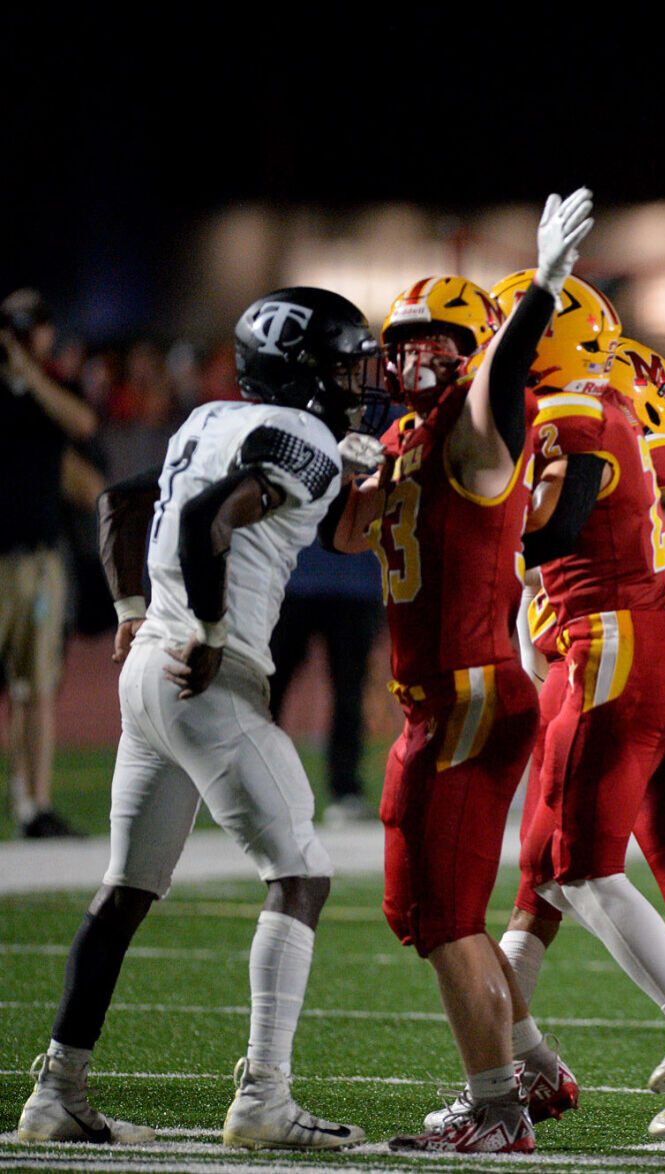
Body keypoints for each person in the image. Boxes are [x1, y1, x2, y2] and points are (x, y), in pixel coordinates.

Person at [16, 285, 380, 1150]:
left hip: (146, 674)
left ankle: (57, 1091)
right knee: (300, 875)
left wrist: (129, 608)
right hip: (209, 676)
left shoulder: (209, 420)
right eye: (339, 364)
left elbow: (119, 504)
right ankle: (265, 1099)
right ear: (302, 372)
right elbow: (207, 519)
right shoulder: (304, 438)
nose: (353, 378)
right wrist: (213, 630)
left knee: (125, 890)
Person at [329, 192, 596, 1154]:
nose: (405, 360)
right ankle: (530, 1063)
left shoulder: (480, 429)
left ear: (470, 349)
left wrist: (541, 292)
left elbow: (498, 382)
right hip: (432, 702)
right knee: (420, 912)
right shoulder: (406, 439)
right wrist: (350, 470)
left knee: (446, 917)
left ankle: (499, 1112)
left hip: (474, 695)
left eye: (429, 343)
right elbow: (350, 535)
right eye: (398, 343)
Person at [484, 269, 665, 1144]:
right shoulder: (612, 399)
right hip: (618, 642)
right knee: (560, 874)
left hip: (606, 645)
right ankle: (520, 1070)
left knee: (573, 872)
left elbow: (622, 531)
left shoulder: (576, 412)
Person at [0, 288, 99, 838]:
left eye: (34, 322)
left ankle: (33, 805)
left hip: (38, 559)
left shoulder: (51, 386)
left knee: (36, 686)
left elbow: (84, 424)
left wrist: (29, 376)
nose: (26, 333)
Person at [267, 542, 384, 824]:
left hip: (355, 578)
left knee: (350, 694)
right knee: (268, 690)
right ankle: (256, 785)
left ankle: (345, 791)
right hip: (294, 573)